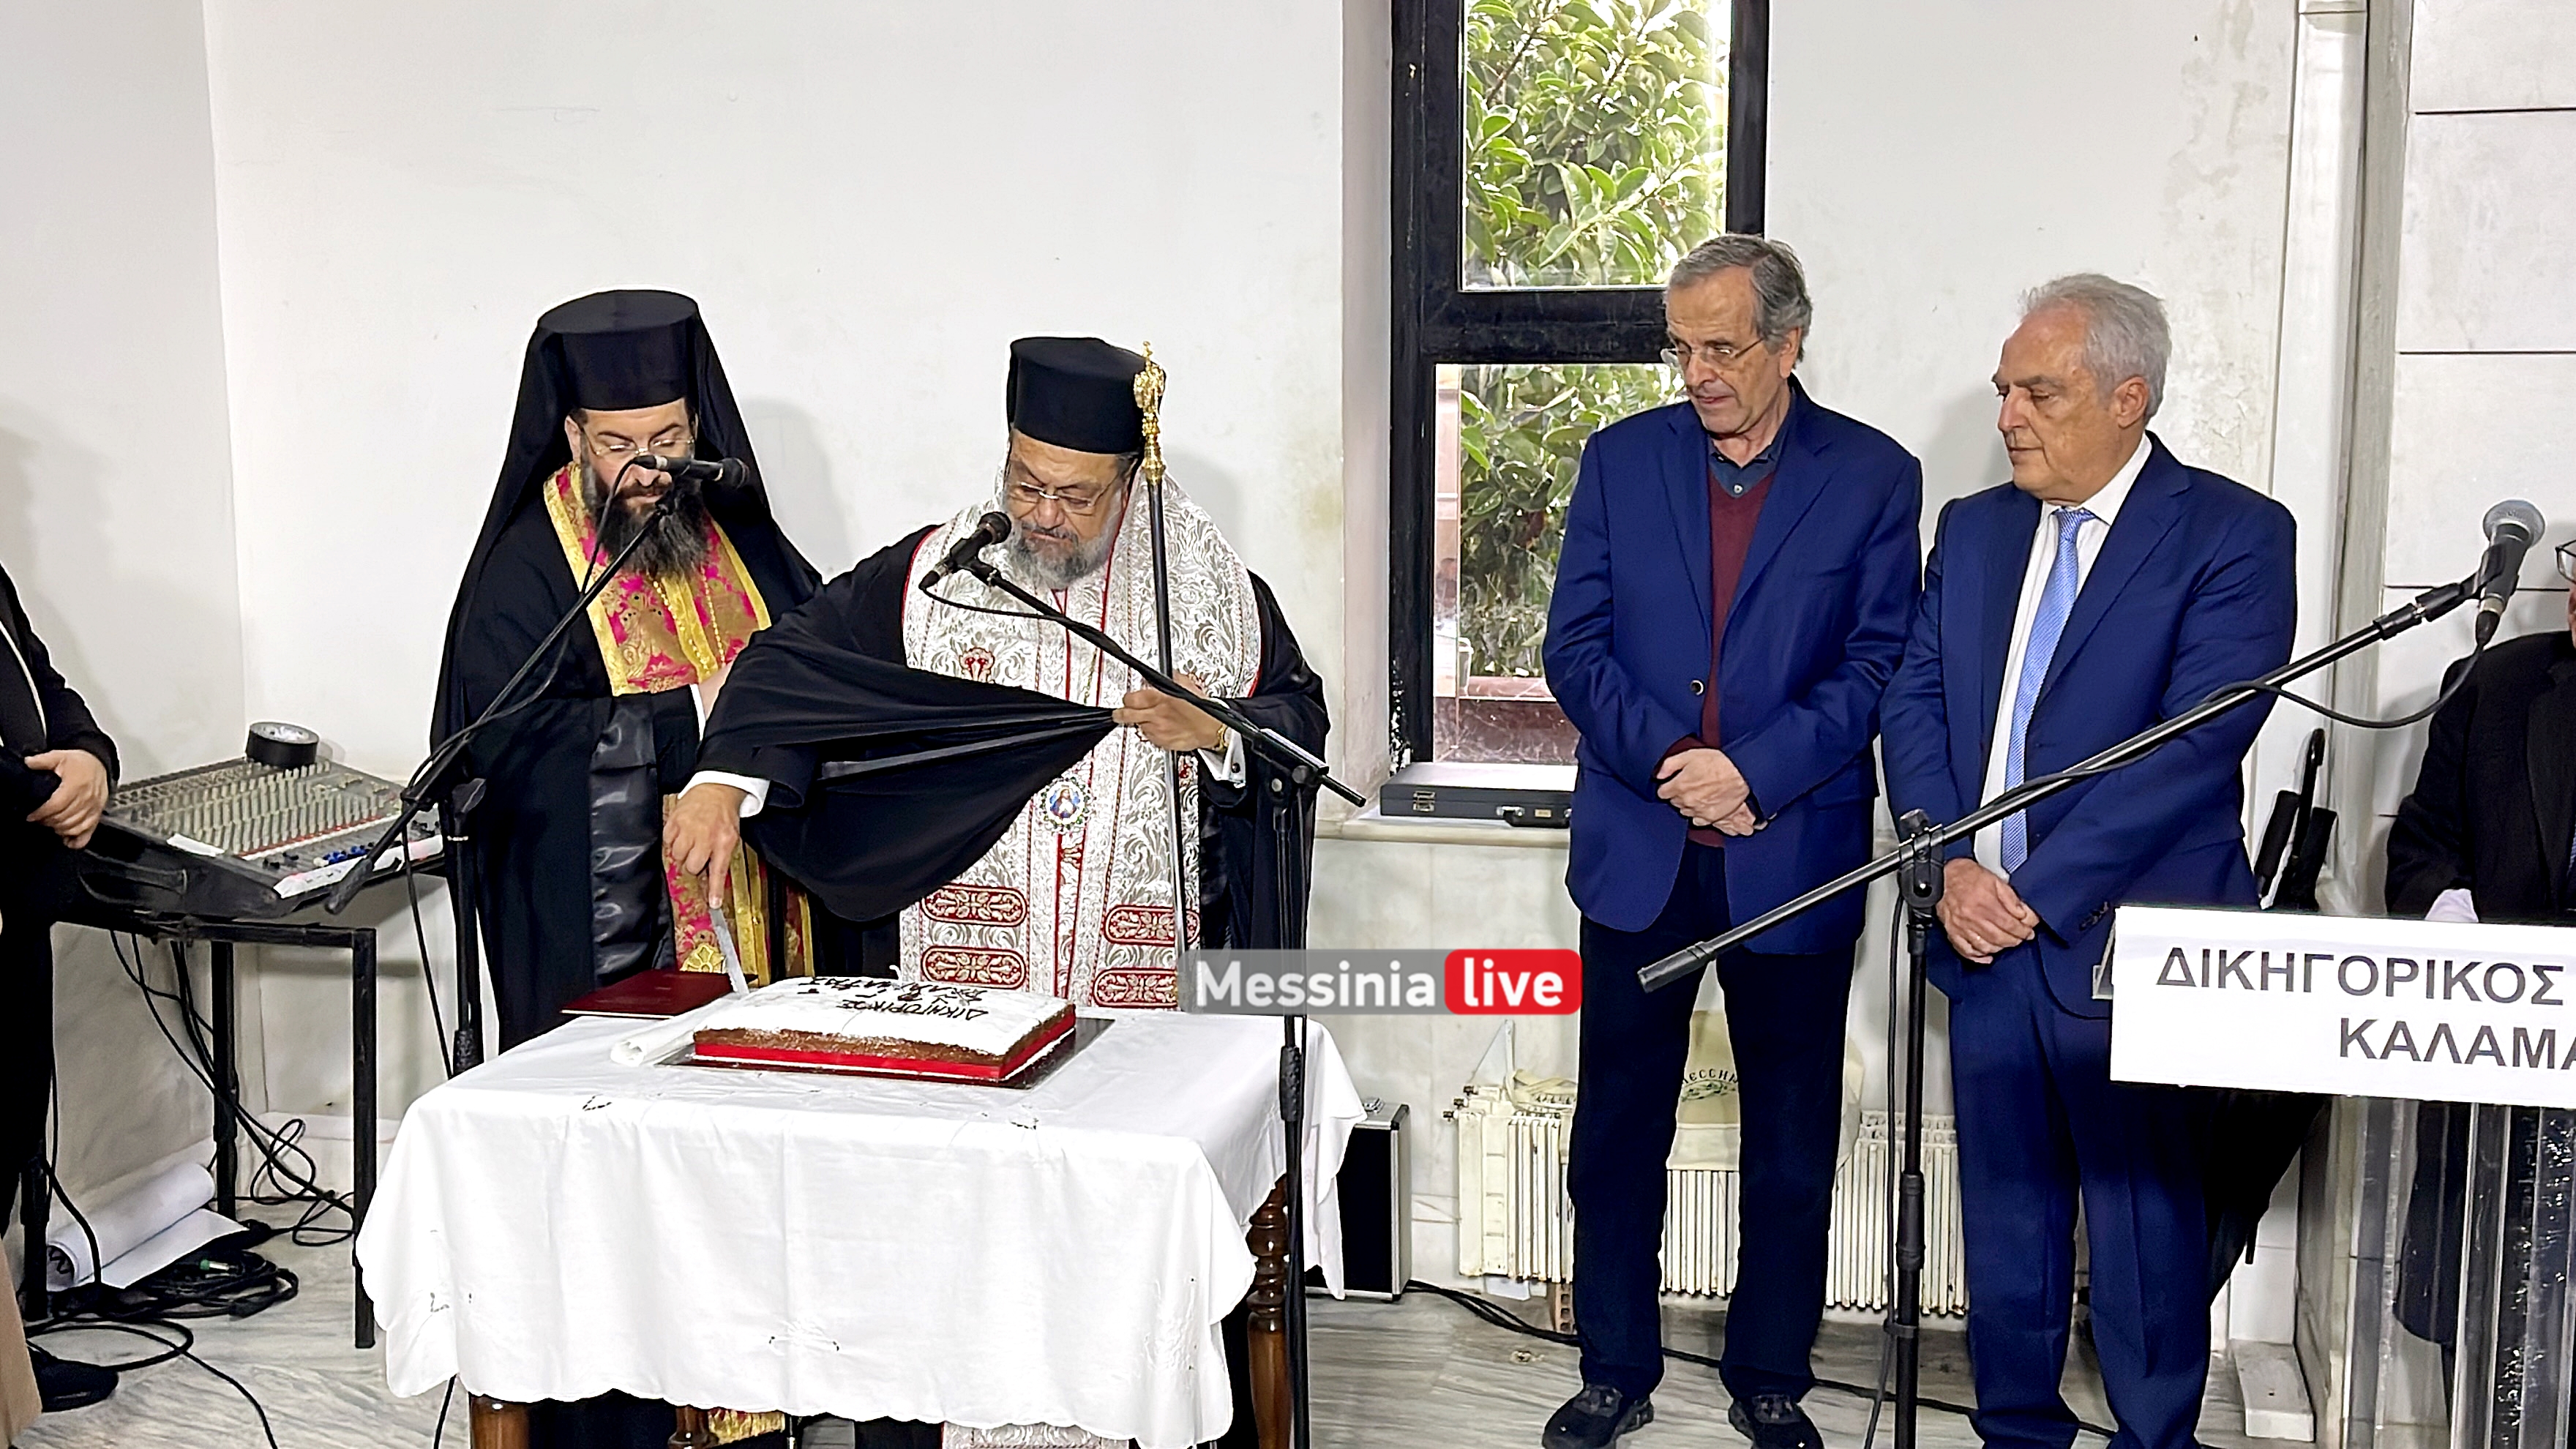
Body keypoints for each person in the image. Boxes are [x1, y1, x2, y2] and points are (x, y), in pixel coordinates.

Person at [1879, 275, 2296, 1449]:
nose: (2008, 415)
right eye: (2005, 389)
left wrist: (2029, 891)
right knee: (2005, 1219)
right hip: (1976, 933)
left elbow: (2197, 746)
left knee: (2144, 1227)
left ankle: (2155, 1436)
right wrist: (1950, 866)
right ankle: (2016, 1428)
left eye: (2039, 393)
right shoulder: (1976, 529)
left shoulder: (2235, 534)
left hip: (2134, 942)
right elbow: (1914, 702)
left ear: (2128, 397)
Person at [1538, 235, 1922, 1449]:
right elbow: (1574, 649)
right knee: (1617, 1129)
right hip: (1640, 853)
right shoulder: (1619, 462)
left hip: (1792, 854)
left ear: (1788, 343)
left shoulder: (1875, 476)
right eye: (1682, 347)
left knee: (1792, 1141)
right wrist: (1678, 767)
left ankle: (1769, 1376)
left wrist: (1752, 772)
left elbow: (1878, 664)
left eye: (1721, 346)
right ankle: (1613, 1368)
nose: (1697, 371)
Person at [667, 336, 1328, 1006]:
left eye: (1076, 496)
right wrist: (723, 782)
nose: (1044, 515)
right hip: (956, 962)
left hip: (1148, 971)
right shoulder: (935, 577)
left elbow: (1299, 722)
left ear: (1128, 483)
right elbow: (789, 664)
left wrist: (1219, 731)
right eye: (1027, 484)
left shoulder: (1214, 597)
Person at [433, 289, 834, 1056]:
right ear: (575, 436)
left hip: (763, 895)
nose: (649, 469)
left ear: (696, 426)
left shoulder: (737, 528)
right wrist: (694, 713)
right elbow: (508, 747)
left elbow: (819, 663)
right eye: (618, 445)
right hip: (623, 931)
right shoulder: (526, 566)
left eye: (668, 439)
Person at [2383, 547, 2576, 1390]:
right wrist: (2449, 916)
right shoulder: (2495, 683)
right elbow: (2421, 847)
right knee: (2487, 1359)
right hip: (2498, 1097)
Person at [0, 561, 121, 1413]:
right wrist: (52, 793)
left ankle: (6, 1355)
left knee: (10, 1129)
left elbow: (49, 688)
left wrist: (89, 761)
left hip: (17, 903)